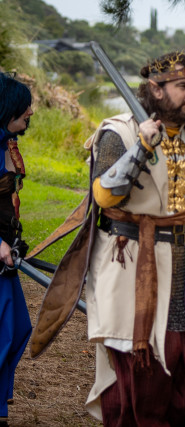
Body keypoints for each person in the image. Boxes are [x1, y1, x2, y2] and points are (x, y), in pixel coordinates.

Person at [83, 51, 185, 426]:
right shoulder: (120, 133)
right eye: (182, 86)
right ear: (155, 89)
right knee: (140, 386)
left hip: (184, 265)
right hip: (131, 264)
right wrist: (140, 147)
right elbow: (103, 196)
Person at [0, 72, 33, 427]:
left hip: (5, 255)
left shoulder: (5, 143)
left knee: (18, 328)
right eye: (25, 108)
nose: (30, 113)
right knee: (3, 333)